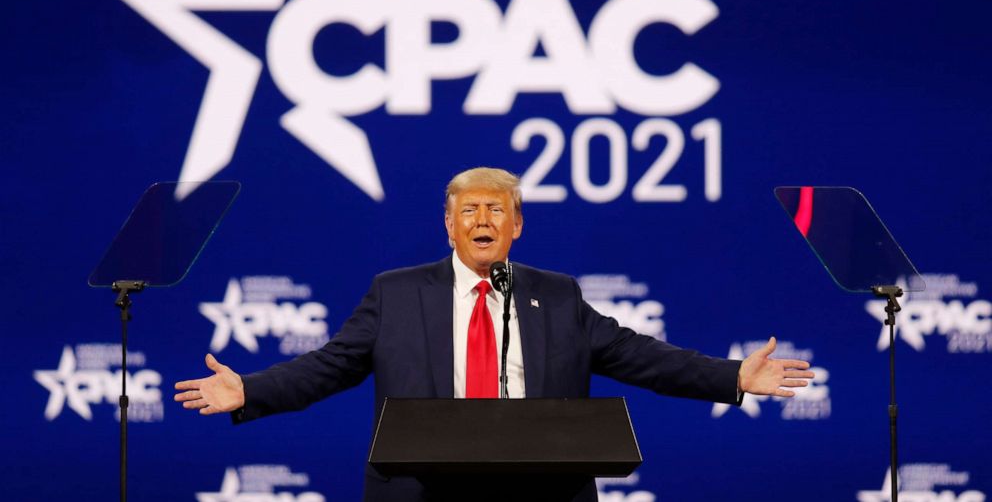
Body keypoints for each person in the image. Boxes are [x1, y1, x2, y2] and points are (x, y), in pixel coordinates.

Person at [175, 167, 814, 501]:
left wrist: (731, 375)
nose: (483, 220)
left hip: (537, 487)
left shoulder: (555, 295)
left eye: (496, 211)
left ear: (517, 227)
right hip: (423, 490)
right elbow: (330, 365)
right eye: (469, 212)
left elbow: (637, 355)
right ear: (448, 227)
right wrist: (250, 390)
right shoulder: (396, 293)